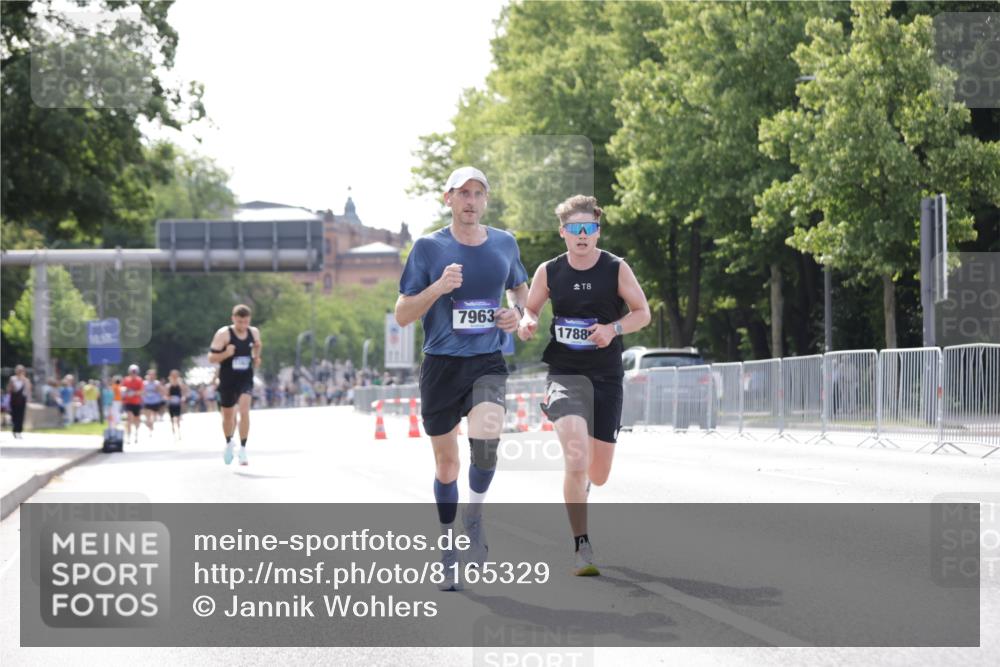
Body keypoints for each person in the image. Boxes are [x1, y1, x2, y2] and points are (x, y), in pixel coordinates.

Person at [395, 166, 528, 591]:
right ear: (448, 198)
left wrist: (516, 313)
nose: (471, 201)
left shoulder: (504, 242)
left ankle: (475, 517)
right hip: (441, 365)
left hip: (486, 360)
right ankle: (447, 546)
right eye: (463, 193)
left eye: (478, 193)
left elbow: (520, 289)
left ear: (485, 199)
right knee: (448, 464)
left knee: (486, 446)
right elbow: (403, 314)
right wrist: (438, 287)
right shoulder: (428, 248)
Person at [517, 194, 650, 576]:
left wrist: (613, 329)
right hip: (565, 375)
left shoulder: (615, 268)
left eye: (588, 228)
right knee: (575, 459)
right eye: (574, 228)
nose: (582, 235)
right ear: (563, 232)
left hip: (606, 376)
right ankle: (581, 546)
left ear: (597, 231)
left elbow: (642, 312)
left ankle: (586, 487)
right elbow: (531, 308)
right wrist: (527, 321)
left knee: (599, 474)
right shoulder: (549, 271)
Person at [207, 304, 262, 466]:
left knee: (244, 411)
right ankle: (229, 442)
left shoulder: (254, 332)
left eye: (246, 322)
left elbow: (258, 345)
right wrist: (226, 353)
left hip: (245, 377)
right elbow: (211, 358)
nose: (243, 325)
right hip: (228, 379)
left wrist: (256, 357)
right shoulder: (223, 334)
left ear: (249, 320)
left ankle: (243, 449)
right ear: (233, 319)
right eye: (239, 322)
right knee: (228, 416)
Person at [6, 365, 32, 438]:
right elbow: (9, 389)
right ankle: (14, 429)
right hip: (14, 399)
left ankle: (18, 431)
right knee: (14, 415)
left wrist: (29, 399)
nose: (20, 372)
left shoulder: (26, 380)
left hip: (22, 400)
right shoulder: (12, 379)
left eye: (21, 371)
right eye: (19, 370)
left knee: (20, 416)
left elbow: (28, 390)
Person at [122, 365, 144, 444]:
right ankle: (128, 436)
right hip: (128, 402)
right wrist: (126, 392)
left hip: (137, 402)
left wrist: (134, 393)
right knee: (129, 418)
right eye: (132, 372)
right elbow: (123, 389)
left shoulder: (139, 380)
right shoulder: (126, 380)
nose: (133, 374)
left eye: (135, 372)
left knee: (136, 420)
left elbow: (142, 391)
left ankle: (136, 434)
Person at [165, 369, 188, 440]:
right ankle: (174, 433)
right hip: (171, 404)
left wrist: (183, 398)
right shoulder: (168, 385)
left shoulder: (180, 384)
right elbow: (166, 395)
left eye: (176, 375)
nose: (175, 376)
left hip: (178, 404)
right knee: (172, 419)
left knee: (178, 419)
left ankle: (179, 432)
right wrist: (169, 398)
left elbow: (184, 393)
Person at [142, 369, 165, 436]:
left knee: (154, 417)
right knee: (148, 416)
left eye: (153, 375)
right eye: (150, 375)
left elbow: (162, 391)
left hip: (155, 401)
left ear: (155, 376)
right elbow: (142, 391)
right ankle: (149, 425)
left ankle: (151, 425)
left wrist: (158, 390)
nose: (151, 376)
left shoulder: (157, 383)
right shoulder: (144, 383)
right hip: (147, 401)